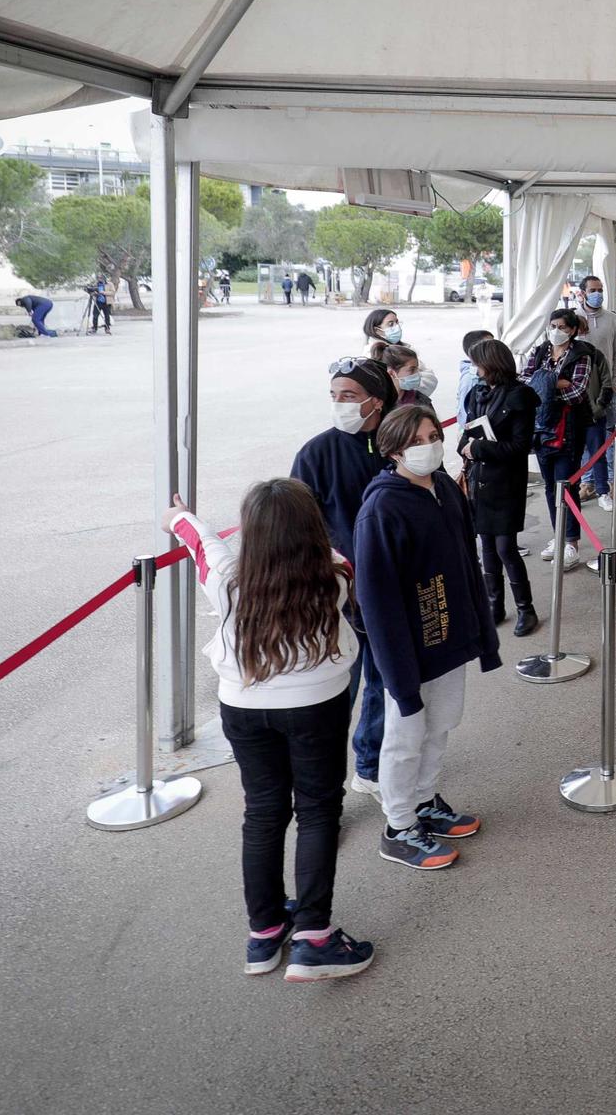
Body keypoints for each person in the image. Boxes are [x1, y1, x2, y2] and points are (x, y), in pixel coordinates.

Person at [162, 479, 374, 983]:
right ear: (311, 530)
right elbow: (339, 553)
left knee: (263, 812)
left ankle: (264, 932)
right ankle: (314, 938)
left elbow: (200, 542)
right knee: (318, 811)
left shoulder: (228, 580)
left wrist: (177, 516)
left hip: (242, 707)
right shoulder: (335, 574)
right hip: (317, 704)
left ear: (252, 533)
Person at [355, 405, 501, 871]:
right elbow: (376, 599)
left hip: (450, 637)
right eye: (416, 440)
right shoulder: (382, 506)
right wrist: (398, 673)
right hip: (409, 651)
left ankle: (422, 802)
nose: (429, 445)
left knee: (441, 725)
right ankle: (398, 825)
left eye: (432, 435)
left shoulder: (443, 489)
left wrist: (480, 631)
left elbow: (466, 562)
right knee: (405, 734)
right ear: (394, 448)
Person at [292, 357, 399, 798]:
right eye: (335, 396)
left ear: (376, 402)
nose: (340, 405)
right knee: (339, 688)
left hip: (391, 588)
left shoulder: (400, 443)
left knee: (383, 681)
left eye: (349, 397)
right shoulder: (316, 453)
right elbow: (298, 527)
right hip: (341, 595)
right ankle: (321, 788)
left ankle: (370, 766)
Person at [459, 339, 541, 637]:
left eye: (477, 362)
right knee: (487, 548)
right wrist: (468, 449)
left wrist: (478, 448)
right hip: (479, 482)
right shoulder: (477, 394)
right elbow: (465, 435)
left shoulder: (521, 397)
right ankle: (494, 605)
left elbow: (520, 447)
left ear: (491, 364)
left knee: (506, 547)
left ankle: (525, 609)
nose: (474, 368)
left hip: (506, 482)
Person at [521, 308, 595, 564]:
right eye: (554, 325)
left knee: (566, 484)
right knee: (551, 487)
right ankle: (558, 534)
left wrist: (544, 383)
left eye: (563, 327)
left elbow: (577, 393)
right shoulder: (541, 351)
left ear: (573, 330)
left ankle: (571, 541)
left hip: (570, 430)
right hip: (541, 429)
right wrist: (555, 382)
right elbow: (524, 380)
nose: (557, 331)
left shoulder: (581, 354)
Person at [576, 275, 616, 512]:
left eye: (600, 289)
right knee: (586, 439)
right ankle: (588, 482)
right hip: (580, 390)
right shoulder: (572, 319)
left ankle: (610, 480)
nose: (597, 293)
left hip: (607, 389)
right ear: (583, 292)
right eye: (593, 290)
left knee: (609, 437)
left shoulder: (612, 319)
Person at [372, 340, 434, 415]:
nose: (418, 374)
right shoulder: (375, 404)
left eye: (418, 369)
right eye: (412, 369)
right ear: (391, 373)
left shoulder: (421, 402)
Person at [456, 328, 493, 416]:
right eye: (488, 345)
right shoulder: (471, 378)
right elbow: (465, 413)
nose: (495, 348)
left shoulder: (488, 372)